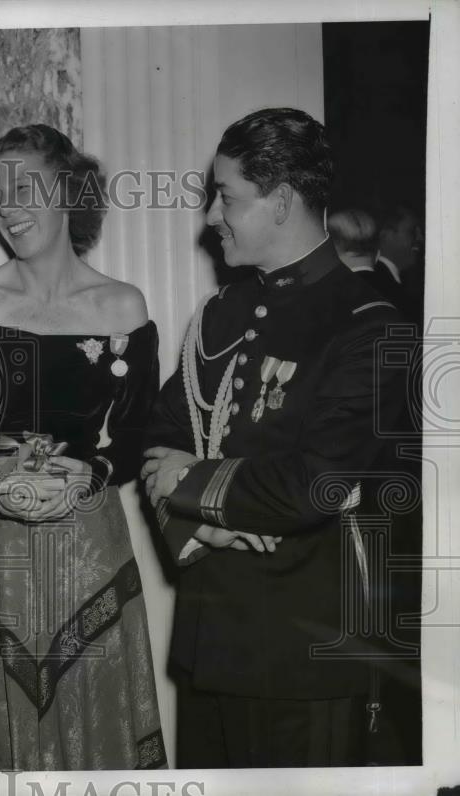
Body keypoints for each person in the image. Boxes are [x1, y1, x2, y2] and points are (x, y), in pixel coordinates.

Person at [141, 107, 408, 768]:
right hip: (210, 643)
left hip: (305, 656)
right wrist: (200, 525)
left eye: (226, 196)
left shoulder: (368, 324)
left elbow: (314, 483)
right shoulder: (221, 314)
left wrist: (188, 484)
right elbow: (160, 436)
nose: (210, 216)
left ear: (281, 201)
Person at [0, 124, 166, 771]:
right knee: (12, 738)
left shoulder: (122, 306)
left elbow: (142, 430)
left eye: (25, 184)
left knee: (98, 723)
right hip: (0, 547)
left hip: (90, 540)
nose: (8, 203)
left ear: (71, 191)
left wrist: (91, 474)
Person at [375, 202, 425, 323]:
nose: (420, 238)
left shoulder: (404, 283)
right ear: (386, 235)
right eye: (412, 231)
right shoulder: (378, 286)